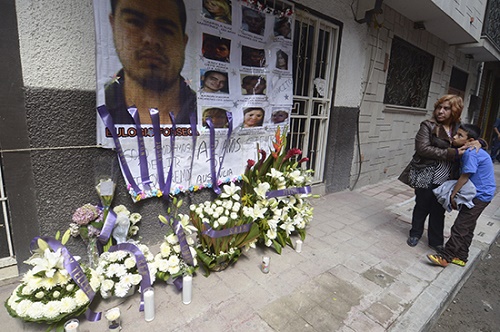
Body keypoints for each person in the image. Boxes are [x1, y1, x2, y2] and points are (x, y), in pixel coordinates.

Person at [105, 0, 196, 125]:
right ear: (113, 25)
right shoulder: (99, 104)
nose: (151, 39)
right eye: (134, 22)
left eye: (166, 29)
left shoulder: (206, 110)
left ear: (183, 43)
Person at [400, 95, 469, 251]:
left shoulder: (459, 128)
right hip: (427, 172)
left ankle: (435, 240)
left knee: (439, 210)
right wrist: (452, 153)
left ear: (455, 111)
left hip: (447, 177)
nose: (441, 111)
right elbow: (422, 149)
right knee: (422, 205)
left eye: (446, 108)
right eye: (439, 107)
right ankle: (415, 233)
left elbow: (473, 138)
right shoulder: (428, 126)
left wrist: (480, 142)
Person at [427, 124, 496, 267]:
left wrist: (453, 194)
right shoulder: (469, 150)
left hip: (480, 195)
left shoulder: (471, 152)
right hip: (481, 194)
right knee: (468, 226)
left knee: (460, 227)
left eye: (459, 135)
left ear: (469, 140)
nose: (454, 137)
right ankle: (461, 256)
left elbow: (465, 176)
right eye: (455, 134)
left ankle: (446, 257)